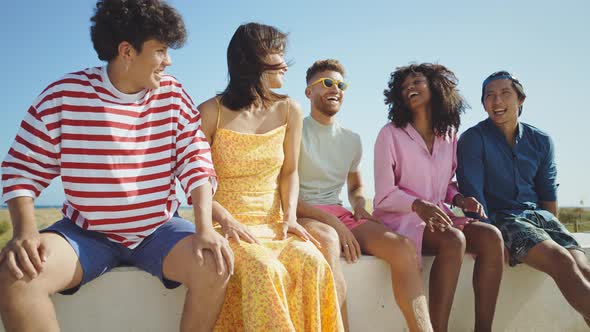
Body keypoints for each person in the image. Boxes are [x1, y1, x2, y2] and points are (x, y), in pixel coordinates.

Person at [0, 1, 233, 331]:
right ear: (127, 51)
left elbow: (195, 160)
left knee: (214, 264)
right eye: (161, 50)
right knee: (17, 276)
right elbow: (22, 167)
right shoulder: (65, 95)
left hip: (159, 230)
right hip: (85, 234)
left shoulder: (173, 94)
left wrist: (204, 226)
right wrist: (24, 231)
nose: (169, 60)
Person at [197, 23, 343, 331]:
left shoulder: (290, 109)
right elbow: (193, 180)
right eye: (277, 52)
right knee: (265, 269)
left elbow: (289, 172)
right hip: (229, 228)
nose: (285, 62)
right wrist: (226, 220)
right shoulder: (211, 112)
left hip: (276, 224)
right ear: (253, 59)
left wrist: (289, 218)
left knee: (313, 262)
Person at [296, 59, 433, 332]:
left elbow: (356, 187)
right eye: (326, 83)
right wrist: (332, 224)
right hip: (303, 213)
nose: (335, 89)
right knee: (329, 244)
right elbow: (282, 193)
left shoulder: (352, 139)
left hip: (341, 213)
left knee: (403, 248)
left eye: (340, 84)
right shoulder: (293, 131)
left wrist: (359, 205)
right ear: (309, 92)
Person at [373, 63, 504, 332]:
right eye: (404, 86)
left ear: (435, 87)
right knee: (453, 240)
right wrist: (418, 205)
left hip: (438, 217)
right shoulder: (390, 134)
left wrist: (459, 200)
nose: (410, 88)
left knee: (491, 237)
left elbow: (444, 185)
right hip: (401, 220)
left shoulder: (449, 134)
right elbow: (384, 195)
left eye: (417, 82)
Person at [457, 70, 590, 326]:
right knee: (560, 261)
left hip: (540, 218)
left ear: (521, 99)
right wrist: (493, 242)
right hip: (501, 217)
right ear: (483, 103)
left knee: (582, 268)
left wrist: (550, 227)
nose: (497, 102)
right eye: (489, 96)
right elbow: (474, 196)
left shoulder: (541, 140)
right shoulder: (473, 140)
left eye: (505, 94)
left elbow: (548, 192)